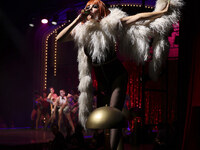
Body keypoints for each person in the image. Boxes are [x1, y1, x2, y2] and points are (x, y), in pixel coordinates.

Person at [56, 0, 183, 149]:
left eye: (94, 6)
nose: (89, 9)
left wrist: (159, 13)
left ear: (102, 11)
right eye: (87, 7)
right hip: (101, 80)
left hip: (117, 75)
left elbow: (138, 17)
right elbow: (60, 38)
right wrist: (78, 19)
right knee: (104, 119)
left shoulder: (111, 24)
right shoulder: (81, 30)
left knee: (114, 115)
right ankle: (115, 144)